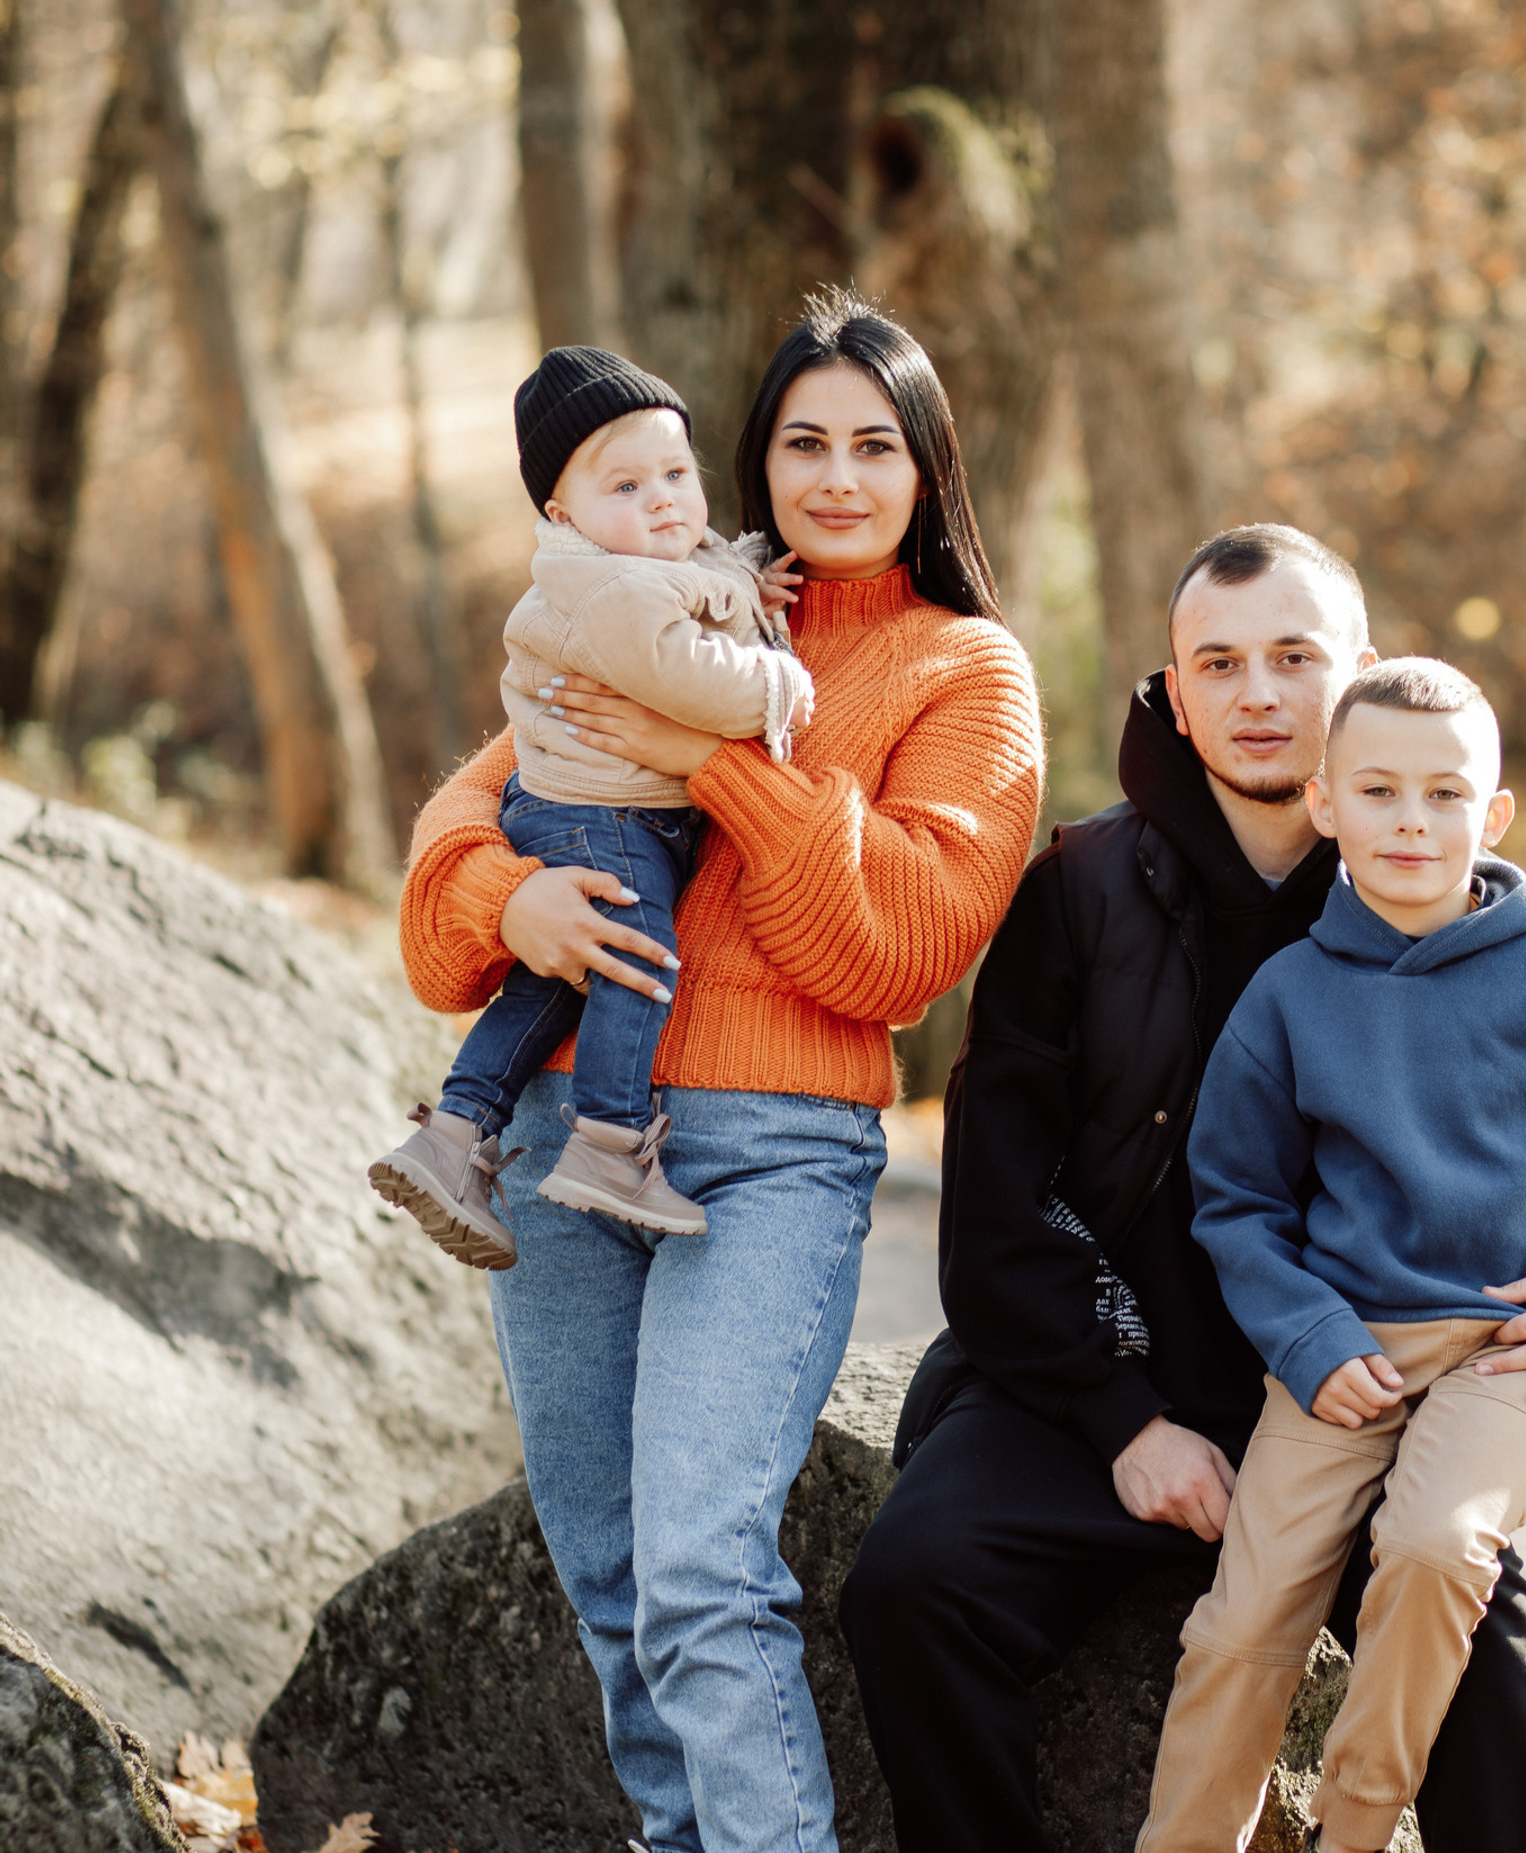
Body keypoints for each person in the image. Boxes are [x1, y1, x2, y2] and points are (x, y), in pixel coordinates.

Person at [839, 524, 1526, 1853]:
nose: (1261, 695)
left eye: (1296, 657)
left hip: (1364, 1398)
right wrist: (1125, 1421)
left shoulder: (1447, 894)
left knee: (1484, 1668)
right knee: (910, 1588)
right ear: (1174, 692)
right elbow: (996, 1210)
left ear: (1364, 675)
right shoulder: (1077, 894)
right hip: (1102, 1393)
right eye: (1218, 663)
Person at [396, 292, 1044, 1853]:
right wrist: (514, 901)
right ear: (755, 459)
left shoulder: (965, 670)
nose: (834, 476)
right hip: (560, 1146)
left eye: (874, 446)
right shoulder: (656, 600)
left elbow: (892, 944)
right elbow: (439, 904)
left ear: (926, 466)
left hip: (770, 1153)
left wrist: (709, 762)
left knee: (700, 1566)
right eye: (802, 442)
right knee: (611, 1578)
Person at [1134, 656, 1526, 1853]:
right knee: (1239, 1626)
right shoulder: (1289, 995)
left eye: (1446, 794)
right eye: (1379, 792)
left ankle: (1351, 1833)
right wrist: (1309, 1336)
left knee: (1432, 1547)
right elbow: (1236, 1200)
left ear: (1493, 812)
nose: (1413, 821)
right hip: (1347, 1350)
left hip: (1520, 1347)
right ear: (1326, 803)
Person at [371, 346, 813, 1255]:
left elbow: (688, 582)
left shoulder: (627, 564)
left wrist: (739, 585)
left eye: (676, 473)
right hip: (607, 821)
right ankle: (610, 1141)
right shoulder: (602, 589)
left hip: (577, 813)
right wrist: (779, 683)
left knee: (554, 983)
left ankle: (454, 1135)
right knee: (638, 961)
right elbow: (689, 676)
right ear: (561, 512)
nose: (662, 499)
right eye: (626, 486)